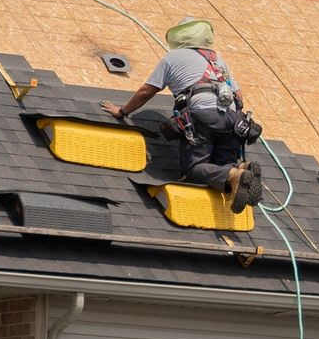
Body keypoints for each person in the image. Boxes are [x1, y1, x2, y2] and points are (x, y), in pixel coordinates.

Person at [101, 17, 265, 212]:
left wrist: (122, 111)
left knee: (193, 171)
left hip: (202, 115)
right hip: (234, 120)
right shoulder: (217, 60)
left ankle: (234, 175)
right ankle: (240, 171)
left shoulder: (173, 58)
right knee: (222, 168)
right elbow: (239, 96)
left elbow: (147, 91)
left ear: (180, 38)